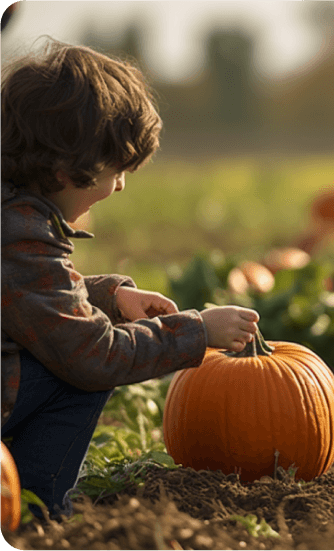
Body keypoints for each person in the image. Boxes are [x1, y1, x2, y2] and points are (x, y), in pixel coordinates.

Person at [0, 38, 260, 518]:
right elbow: (93, 356)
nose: (120, 184)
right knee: (77, 376)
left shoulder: (13, 212)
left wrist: (108, 295)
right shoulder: (21, 235)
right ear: (64, 169)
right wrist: (198, 331)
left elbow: (29, 295)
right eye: (115, 169)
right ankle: (37, 508)